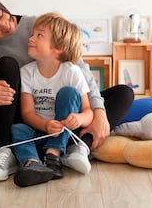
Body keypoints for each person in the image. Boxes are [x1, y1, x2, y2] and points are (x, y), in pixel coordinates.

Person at [0, 0, 134, 182]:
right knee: (7, 65)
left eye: (1, 14)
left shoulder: (39, 26)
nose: (6, 24)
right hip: (27, 116)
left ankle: (79, 146)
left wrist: (99, 113)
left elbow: (81, 72)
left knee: (124, 93)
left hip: (66, 112)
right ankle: (5, 151)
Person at [11, 12, 93, 187]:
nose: (31, 38)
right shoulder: (26, 72)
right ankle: (33, 164)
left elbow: (88, 112)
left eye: (39, 35)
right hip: (40, 131)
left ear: (59, 47)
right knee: (18, 128)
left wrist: (78, 119)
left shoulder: (71, 72)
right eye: (33, 34)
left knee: (69, 93)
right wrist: (46, 126)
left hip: (65, 135)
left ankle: (53, 154)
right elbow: (27, 113)